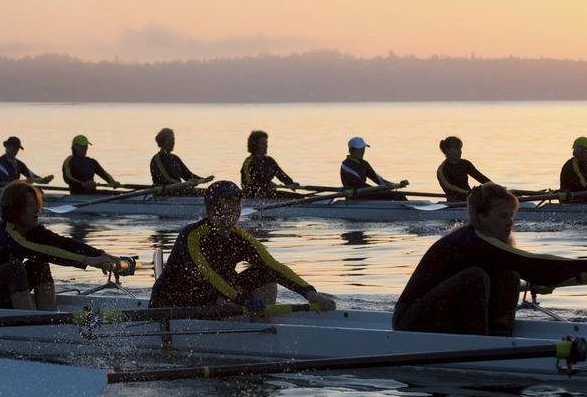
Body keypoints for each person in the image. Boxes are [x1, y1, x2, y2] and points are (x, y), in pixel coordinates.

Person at [393, 182, 587, 336]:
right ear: (480, 216)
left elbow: (534, 279)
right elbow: (531, 263)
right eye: (502, 216)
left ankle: (499, 338)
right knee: (475, 277)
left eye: (511, 216)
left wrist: (581, 277)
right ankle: (479, 346)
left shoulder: (493, 244)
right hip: (409, 321)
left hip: (442, 317)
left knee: (509, 275)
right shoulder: (471, 241)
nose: (509, 222)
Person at [149, 180, 336, 312]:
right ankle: (245, 323)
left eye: (237, 207)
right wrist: (242, 299)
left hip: (218, 297)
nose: (234, 213)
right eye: (227, 208)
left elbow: (273, 265)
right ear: (212, 210)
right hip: (173, 304)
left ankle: (262, 325)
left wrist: (309, 293)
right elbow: (210, 276)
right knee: (223, 293)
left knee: (266, 274)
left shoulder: (240, 237)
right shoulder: (192, 236)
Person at [0, 181, 117, 309]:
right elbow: (46, 251)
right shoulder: (3, 237)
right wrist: (87, 260)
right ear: (15, 210)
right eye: (31, 206)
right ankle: (32, 324)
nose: (37, 209)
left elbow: (60, 243)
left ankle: (48, 319)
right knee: (15, 267)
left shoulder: (31, 230)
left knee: (39, 264)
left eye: (37, 204)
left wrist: (101, 255)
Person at [340, 136, 407, 200]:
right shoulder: (346, 166)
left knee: (399, 195)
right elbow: (359, 184)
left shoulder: (364, 163)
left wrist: (395, 185)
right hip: (354, 196)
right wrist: (381, 190)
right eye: (360, 150)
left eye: (363, 149)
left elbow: (378, 179)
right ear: (352, 150)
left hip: (365, 193)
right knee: (397, 196)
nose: (362, 152)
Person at [240, 130, 299, 199]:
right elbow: (247, 184)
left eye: (266, 143)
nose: (266, 146)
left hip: (269, 193)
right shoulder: (248, 163)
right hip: (252, 197)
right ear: (255, 145)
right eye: (263, 144)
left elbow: (281, 175)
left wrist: (290, 183)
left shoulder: (269, 161)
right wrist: (265, 185)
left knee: (298, 197)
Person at [436, 136, 491, 202]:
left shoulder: (465, 163)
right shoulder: (442, 169)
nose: (460, 151)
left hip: (469, 198)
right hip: (454, 201)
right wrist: (467, 192)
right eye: (457, 148)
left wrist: (496, 188)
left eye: (460, 148)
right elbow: (449, 186)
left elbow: (481, 178)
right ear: (447, 150)